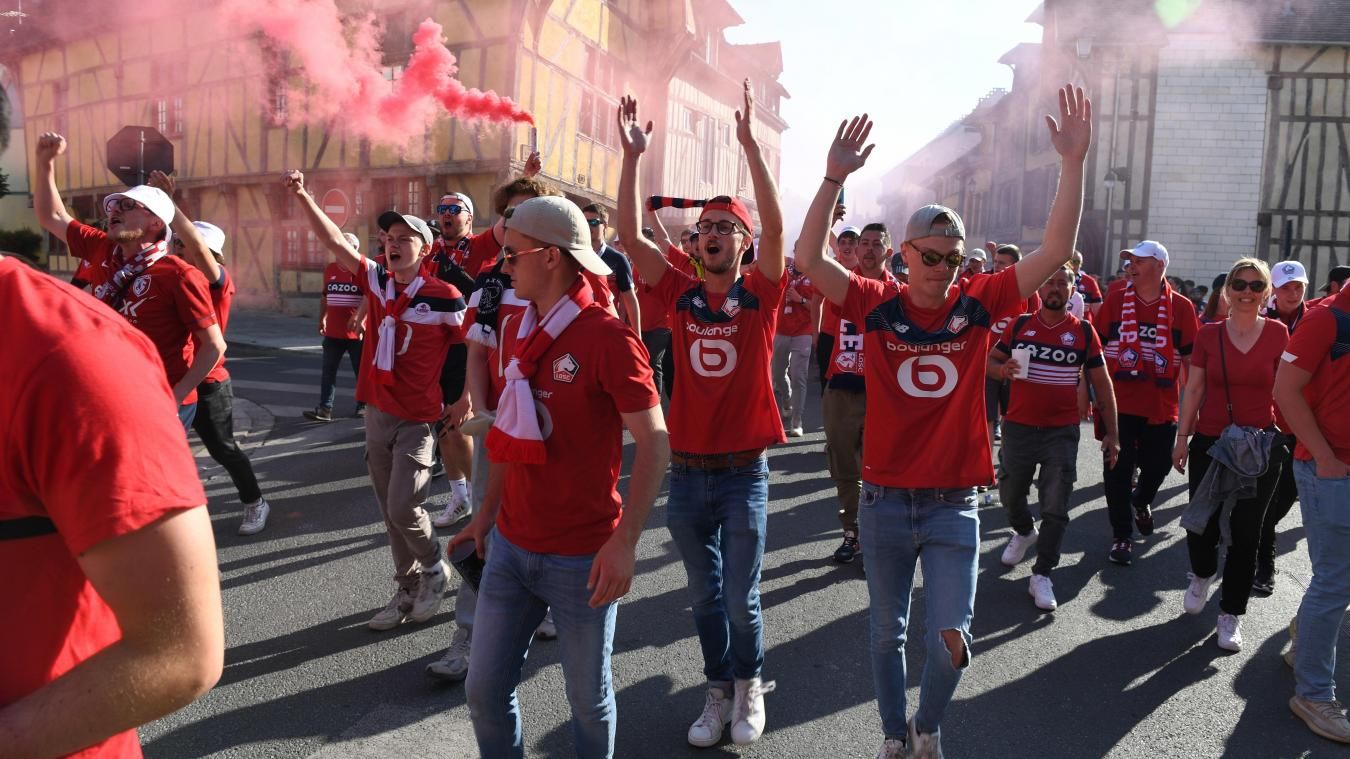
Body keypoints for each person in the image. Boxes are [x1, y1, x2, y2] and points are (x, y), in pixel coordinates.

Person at [793, 85, 1092, 759]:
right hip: (885, 500)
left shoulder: (979, 302)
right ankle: (897, 738)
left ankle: (928, 722)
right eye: (931, 256)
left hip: (956, 502)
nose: (942, 270)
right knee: (883, 635)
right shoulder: (874, 302)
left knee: (953, 637)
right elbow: (810, 260)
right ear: (904, 254)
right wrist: (834, 177)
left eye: (953, 259)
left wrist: (1071, 165)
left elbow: (1052, 251)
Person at [450, 196, 669, 759]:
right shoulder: (522, 324)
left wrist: (624, 544)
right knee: (483, 691)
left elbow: (656, 443)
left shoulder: (609, 339)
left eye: (512, 254)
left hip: (582, 557)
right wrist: (485, 517)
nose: (503, 266)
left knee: (587, 701)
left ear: (549, 258)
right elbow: (508, 433)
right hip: (511, 547)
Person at [618, 81, 786, 748]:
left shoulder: (764, 295)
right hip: (686, 473)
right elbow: (630, 233)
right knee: (704, 598)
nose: (712, 234)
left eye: (726, 227)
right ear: (695, 244)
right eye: (705, 227)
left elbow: (776, 227)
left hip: (745, 472)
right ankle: (719, 688)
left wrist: (748, 145)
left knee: (742, 599)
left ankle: (750, 685)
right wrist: (633, 156)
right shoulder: (680, 293)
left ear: (743, 245)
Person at [0, 256, 224, 757]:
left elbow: (180, 655)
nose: (117, 217)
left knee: (227, 453)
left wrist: (179, 393)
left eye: (134, 209)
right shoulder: (111, 268)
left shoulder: (73, 353)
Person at [288, 170, 467, 631]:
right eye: (388, 237)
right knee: (391, 513)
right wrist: (305, 195)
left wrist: (465, 397)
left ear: (424, 248)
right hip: (377, 411)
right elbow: (334, 242)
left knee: (406, 507)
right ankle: (406, 588)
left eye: (405, 238)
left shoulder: (444, 296)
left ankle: (433, 568)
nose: (393, 244)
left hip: (419, 417)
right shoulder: (376, 282)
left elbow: (475, 347)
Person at [31, 132, 226, 432]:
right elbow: (52, 215)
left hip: (160, 396)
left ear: (156, 223)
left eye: (127, 206)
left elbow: (214, 346)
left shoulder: (178, 274)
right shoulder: (102, 247)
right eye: (113, 207)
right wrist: (45, 163)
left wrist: (173, 397)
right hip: (110, 387)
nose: (114, 211)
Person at [147, 170, 274, 536]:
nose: (178, 251)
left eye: (185, 246)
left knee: (222, 449)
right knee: (165, 450)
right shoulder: (171, 276)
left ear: (211, 254)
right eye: (177, 245)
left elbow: (199, 251)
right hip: (173, 378)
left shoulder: (217, 281)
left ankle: (255, 502)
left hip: (209, 381)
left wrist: (169, 205)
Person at [1169, 259, 1288, 651]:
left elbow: (1287, 391)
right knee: (1200, 521)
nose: (1247, 291)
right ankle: (1201, 573)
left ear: (1266, 293)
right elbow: (1196, 389)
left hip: (1258, 446)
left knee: (1246, 533)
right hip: (1210, 441)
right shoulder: (1209, 334)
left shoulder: (1278, 333)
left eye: (1256, 285)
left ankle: (1230, 613)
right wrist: (1182, 436)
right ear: (1228, 290)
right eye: (1240, 283)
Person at [989, 264, 1119, 610]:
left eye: (1063, 283)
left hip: (1061, 431)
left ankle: (1043, 573)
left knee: (1056, 503)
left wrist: (1113, 434)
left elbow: (1102, 383)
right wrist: (1001, 370)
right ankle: (1023, 530)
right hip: (1018, 426)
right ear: (1040, 290)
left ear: (1072, 290)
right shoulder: (1020, 326)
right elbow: (988, 361)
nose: (1056, 289)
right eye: (1050, 283)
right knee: (1010, 491)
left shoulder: (1084, 332)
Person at [1273, 266, 1350, 742]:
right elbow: (1284, 391)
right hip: (1331, 470)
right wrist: (1324, 456)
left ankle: (1305, 640)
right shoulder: (1328, 318)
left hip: (1336, 468)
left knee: (1337, 579)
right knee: (1335, 581)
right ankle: (1314, 694)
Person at [1097, 240, 1200, 566]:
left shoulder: (1182, 307)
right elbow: (1096, 352)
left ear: (1159, 266)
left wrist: (1191, 410)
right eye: (1128, 261)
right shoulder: (1115, 300)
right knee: (1116, 471)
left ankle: (1141, 500)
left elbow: (1190, 362)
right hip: (1119, 403)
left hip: (1161, 405)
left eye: (1138, 261)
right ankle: (1122, 537)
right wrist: (1089, 393)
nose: (1130, 266)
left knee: (1158, 466)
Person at [820, 222, 898, 564]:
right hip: (841, 386)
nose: (868, 249)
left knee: (878, 469)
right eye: (863, 243)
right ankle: (851, 533)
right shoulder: (846, 288)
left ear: (889, 252)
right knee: (844, 468)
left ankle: (875, 539)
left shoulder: (900, 294)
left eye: (876, 244)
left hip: (880, 395)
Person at [1251, 260, 1310, 595]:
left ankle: (1255, 539)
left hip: (1303, 423)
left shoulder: (1317, 318)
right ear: (1273, 290)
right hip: (1264, 422)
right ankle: (1265, 563)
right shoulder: (1261, 320)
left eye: (1298, 286)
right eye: (1286, 287)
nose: (1293, 293)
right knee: (1265, 497)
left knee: (1286, 494)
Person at [306, 232, 369, 420]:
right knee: (328, 371)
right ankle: (325, 408)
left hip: (355, 333)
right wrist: (322, 318)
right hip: (333, 331)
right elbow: (325, 296)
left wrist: (361, 319)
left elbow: (370, 297)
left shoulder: (362, 270)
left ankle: (363, 405)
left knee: (361, 372)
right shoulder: (330, 269)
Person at [772, 253, 820, 438]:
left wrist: (800, 299)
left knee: (799, 376)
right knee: (778, 374)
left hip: (803, 333)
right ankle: (786, 399)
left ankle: (797, 421)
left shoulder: (814, 276)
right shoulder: (783, 273)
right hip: (781, 331)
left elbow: (816, 306)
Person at [580, 203, 641, 334]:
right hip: (578, 326)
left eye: (594, 222)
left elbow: (630, 300)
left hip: (607, 327)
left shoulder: (618, 259)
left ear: (605, 226)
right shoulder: (573, 256)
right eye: (584, 222)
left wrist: (637, 336)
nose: (588, 226)